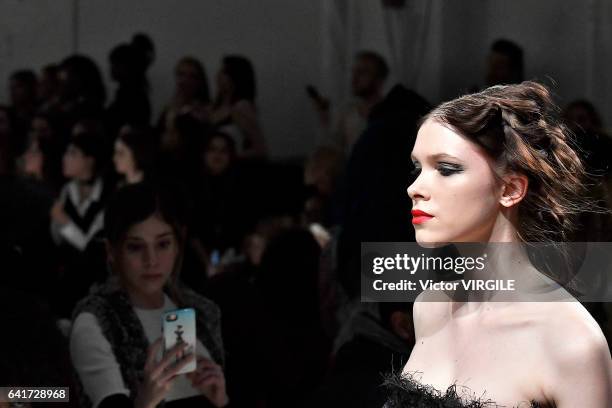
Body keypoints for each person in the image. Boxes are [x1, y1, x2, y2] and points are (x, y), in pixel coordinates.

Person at [384, 82, 612, 407]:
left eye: (446, 169)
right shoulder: (430, 308)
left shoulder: (569, 342)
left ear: (510, 189)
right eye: (418, 168)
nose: (415, 188)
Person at [70, 183, 229, 408]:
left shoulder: (201, 312)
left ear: (177, 246)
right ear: (112, 252)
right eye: (135, 247)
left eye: (163, 244)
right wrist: (146, 401)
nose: (151, 260)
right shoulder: (97, 322)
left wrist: (219, 400)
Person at [312, 51, 389, 154]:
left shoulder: (391, 114)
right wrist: (324, 118)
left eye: (363, 72)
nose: (355, 78)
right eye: (354, 71)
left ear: (379, 79)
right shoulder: (348, 112)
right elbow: (333, 148)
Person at [211, 55, 266, 158]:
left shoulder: (241, 108)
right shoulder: (217, 107)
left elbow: (260, 149)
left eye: (224, 72)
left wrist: (229, 157)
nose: (218, 75)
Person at [158, 57, 211, 152]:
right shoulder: (169, 108)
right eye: (181, 75)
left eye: (191, 76)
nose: (185, 80)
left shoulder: (204, 111)